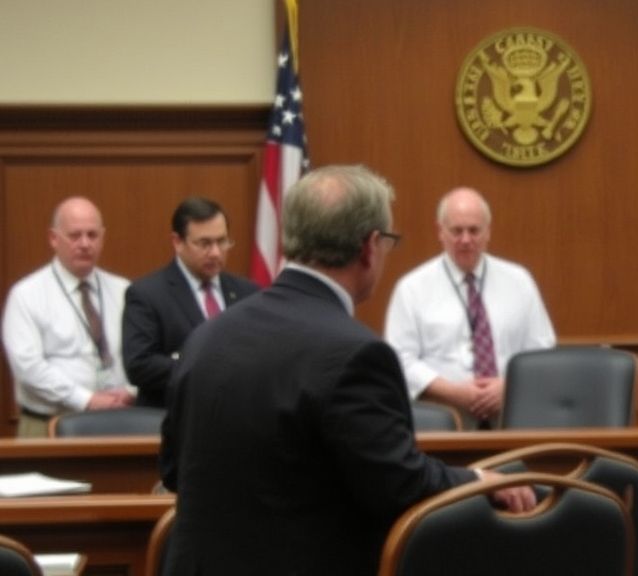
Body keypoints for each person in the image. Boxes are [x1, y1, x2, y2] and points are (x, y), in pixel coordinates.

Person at [159, 165, 535, 575]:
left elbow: (174, 473)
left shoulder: (204, 338)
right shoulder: (356, 354)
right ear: (370, 246)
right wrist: (480, 481)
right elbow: (399, 486)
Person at [384, 187, 555, 428]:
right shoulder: (412, 288)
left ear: (488, 232)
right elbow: (400, 359)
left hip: (512, 417)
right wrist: (453, 392)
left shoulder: (519, 281)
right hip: (443, 419)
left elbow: (541, 349)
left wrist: (509, 386)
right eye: (457, 231)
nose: (465, 240)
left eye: (474, 230)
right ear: (440, 231)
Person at [2, 197, 134, 437]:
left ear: (103, 238)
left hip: (118, 421)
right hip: (47, 424)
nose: (85, 244)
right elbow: (28, 367)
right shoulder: (26, 295)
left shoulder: (123, 290)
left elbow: (141, 352)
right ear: (54, 238)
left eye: (92, 235)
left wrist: (131, 391)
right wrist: (86, 399)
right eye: (75, 235)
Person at [121, 197, 259, 407]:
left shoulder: (248, 292)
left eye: (222, 241)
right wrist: (207, 367)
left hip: (235, 412)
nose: (215, 252)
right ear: (177, 242)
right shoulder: (146, 294)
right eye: (204, 244)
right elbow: (139, 365)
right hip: (173, 415)